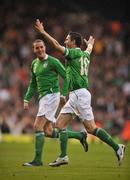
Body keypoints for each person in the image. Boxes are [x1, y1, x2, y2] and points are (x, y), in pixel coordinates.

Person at [35, 19, 126, 167]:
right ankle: (64, 156)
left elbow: (56, 45)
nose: (65, 41)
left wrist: (43, 32)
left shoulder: (74, 53)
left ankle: (117, 147)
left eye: (67, 39)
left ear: (73, 42)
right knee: (59, 125)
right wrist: (90, 43)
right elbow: (89, 49)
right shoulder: (85, 54)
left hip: (79, 94)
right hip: (78, 95)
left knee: (91, 128)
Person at [23, 39, 88, 166]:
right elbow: (32, 83)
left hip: (52, 95)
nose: (40, 50)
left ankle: (37, 160)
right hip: (43, 98)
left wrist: (63, 94)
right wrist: (26, 98)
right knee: (47, 131)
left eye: (41, 47)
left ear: (45, 47)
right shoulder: (34, 64)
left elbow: (67, 76)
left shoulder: (53, 61)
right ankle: (79, 136)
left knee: (37, 126)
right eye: (37, 48)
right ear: (33, 50)